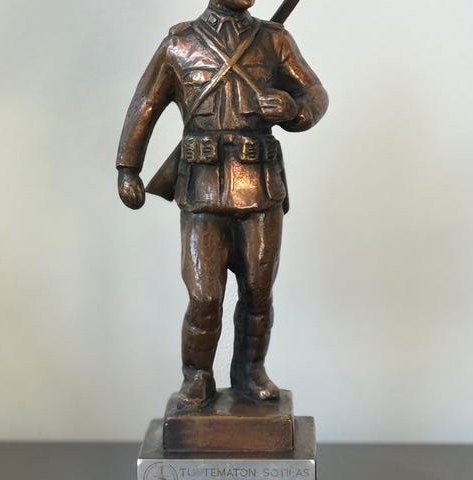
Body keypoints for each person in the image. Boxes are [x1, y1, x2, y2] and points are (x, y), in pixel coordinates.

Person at [116, 0, 328, 410]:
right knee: (204, 298)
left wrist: (294, 109)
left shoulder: (275, 40)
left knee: (258, 293)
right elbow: (145, 103)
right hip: (202, 189)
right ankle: (197, 377)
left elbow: (315, 94)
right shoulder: (180, 44)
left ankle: (250, 372)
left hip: (260, 188)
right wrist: (128, 167)